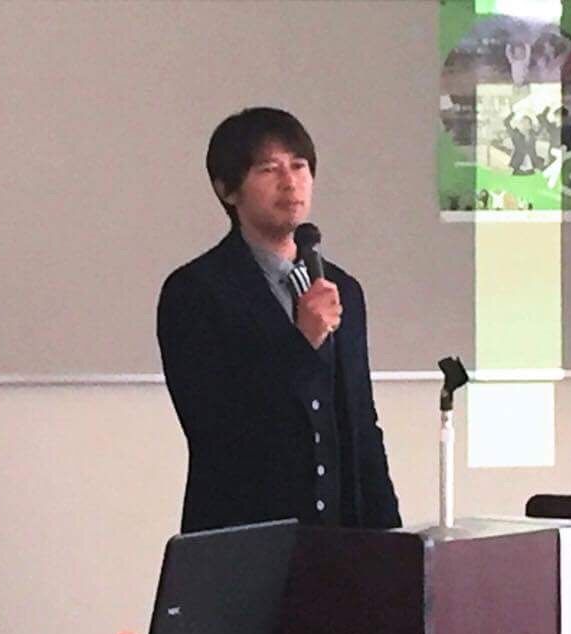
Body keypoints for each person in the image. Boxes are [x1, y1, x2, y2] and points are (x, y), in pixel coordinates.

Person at [157, 107, 401, 533]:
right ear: (227, 189)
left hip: (340, 540)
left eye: (300, 166)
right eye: (269, 169)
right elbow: (216, 429)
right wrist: (301, 344)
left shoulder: (341, 289)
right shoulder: (195, 291)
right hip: (244, 537)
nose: (290, 182)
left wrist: (391, 542)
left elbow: (361, 426)